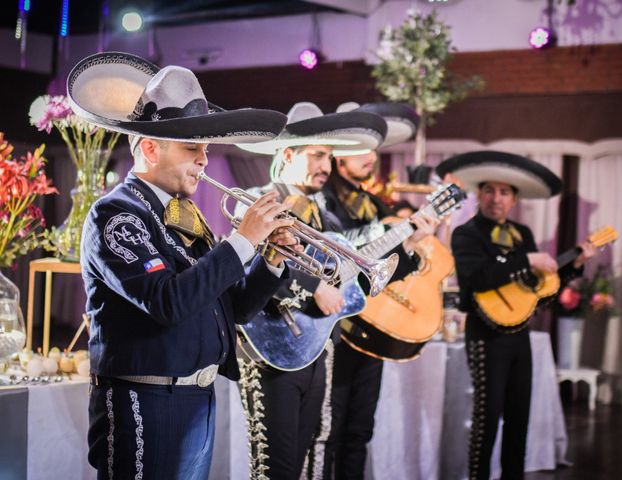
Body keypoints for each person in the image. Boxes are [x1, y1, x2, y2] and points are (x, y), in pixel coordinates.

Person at [67, 51, 298, 479]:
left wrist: (271, 258)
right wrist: (242, 240)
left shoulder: (185, 217)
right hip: (145, 399)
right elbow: (167, 302)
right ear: (150, 148)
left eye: (206, 149)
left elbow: (235, 310)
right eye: (193, 148)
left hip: (196, 398)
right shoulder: (116, 214)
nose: (204, 160)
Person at [234, 102, 388, 479]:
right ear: (287, 155)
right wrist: (313, 286)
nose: (326, 166)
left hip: (319, 349)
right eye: (317, 155)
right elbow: (244, 269)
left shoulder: (326, 217)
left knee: (313, 455)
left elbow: (342, 277)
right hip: (270, 352)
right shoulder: (258, 202)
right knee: (276, 467)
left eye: (330, 157)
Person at [437, 150, 597, 480]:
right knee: (486, 418)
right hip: (484, 333)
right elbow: (478, 279)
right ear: (479, 194)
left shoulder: (522, 234)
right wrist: (527, 260)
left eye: (504, 192)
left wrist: (572, 268)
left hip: (519, 335)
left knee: (518, 418)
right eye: (490, 190)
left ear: (514, 200)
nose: (496, 198)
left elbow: (536, 289)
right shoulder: (467, 234)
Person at [314, 102, 439, 479]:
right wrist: (391, 232)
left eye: (373, 149)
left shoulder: (373, 203)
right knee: (329, 432)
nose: (371, 157)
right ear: (338, 157)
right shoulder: (323, 200)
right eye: (360, 149)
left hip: (373, 328)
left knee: (359, 430)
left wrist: (414, 244)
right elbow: (333, 248)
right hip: (337, 329)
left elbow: (393, 268)